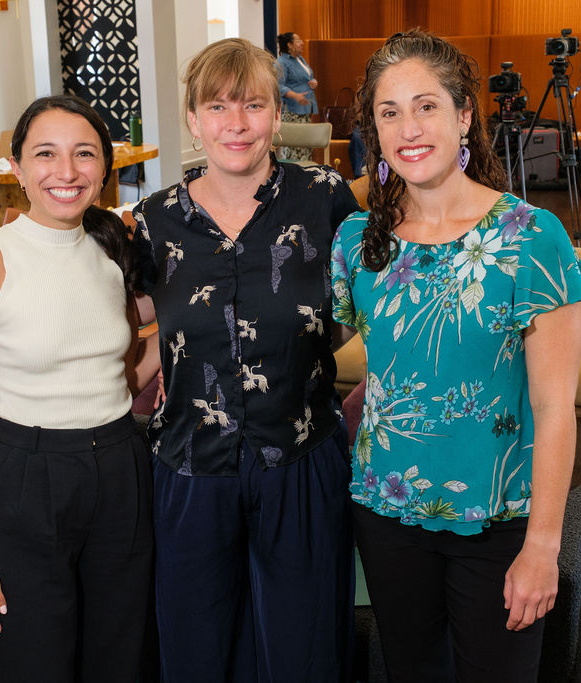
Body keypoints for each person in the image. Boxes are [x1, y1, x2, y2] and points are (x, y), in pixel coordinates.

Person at [331, 30, 581, 682]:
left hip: (501, 523)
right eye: (388, 112)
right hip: (386, 510)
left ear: (464, 116)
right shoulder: (358, 241)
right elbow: (317, 350)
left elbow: (556, 408)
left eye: (426, 106)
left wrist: (543, 545)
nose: (408, 128)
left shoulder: (531, 239)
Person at [131, 38, 359, 682]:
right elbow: (145, 330)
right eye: (218, 107)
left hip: (301, 456)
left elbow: (374, 307)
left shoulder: (324, 198)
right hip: (189, 463)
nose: (236, 124)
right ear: (192, 119)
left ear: (276, 114)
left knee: (304, 639)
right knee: (196, 637)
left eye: (253, 105)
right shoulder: (155, 220)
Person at [0, 94, 159, 682]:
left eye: (84, 154)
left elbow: (119, 375)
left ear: (104, 167)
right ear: (16, 167)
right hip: (27, 475)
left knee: (121, 651)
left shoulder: (113, 245)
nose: (66, 173)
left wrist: (183, 323)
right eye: (46, 154)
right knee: (31, 658)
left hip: (121, 464)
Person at [276, 32, 318, 161]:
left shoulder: (300, 59)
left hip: (305, 110)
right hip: (291, 111)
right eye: (298, 40)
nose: (302, 43)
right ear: (289, 45)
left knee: (305, 145)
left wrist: (313, 82)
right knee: (293, 147)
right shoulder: (281, 62)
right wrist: (295, 96)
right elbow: (278, 85)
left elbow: (307, 77)